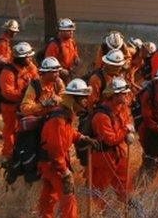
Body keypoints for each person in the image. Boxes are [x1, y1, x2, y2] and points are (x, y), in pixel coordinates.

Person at [38, 78, 95, 218]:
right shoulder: (58, 119)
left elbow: (67, 134)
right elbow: (56, 149)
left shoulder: (64, 115)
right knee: (68, 198)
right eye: (82, 99)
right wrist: (65, 172)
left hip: (49, 163)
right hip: (54, 164)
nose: (85, 102)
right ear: (73, 100)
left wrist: (81, 137)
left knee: (49, 196)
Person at [90, 77, 135, 207]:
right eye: (123, 93)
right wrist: (126, 131)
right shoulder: (101, 116)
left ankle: (128, 209)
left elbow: (125, 122)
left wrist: (126, 131)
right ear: (114, 96)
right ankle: (100, 214)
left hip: (119, 155)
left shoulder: (121, 108)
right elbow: (110, 140)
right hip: (104, 158)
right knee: (98, 192)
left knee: (125, 188)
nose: (126, 95)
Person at [0, 41, 38, 159]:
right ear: (21, 58)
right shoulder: (7, 72)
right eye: (28, 57)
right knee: (10, 130)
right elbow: (7, 93)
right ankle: (8, 155)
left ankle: (21, 152)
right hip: (10, 107)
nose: (30, 58)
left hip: (25, 105)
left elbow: (37, 79)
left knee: (24, 129)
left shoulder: (29, 67)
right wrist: (24, 95)